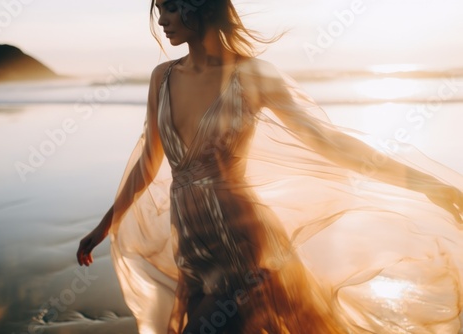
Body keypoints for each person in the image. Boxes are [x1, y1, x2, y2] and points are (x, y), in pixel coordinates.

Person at [77, 0, 463, 333]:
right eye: (159, 9)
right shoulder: (162, 78)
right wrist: (103, 227)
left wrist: (425, 184)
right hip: (191, 249)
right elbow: (149, 162)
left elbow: (330, 143)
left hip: (239, 245)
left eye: (173, 7)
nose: (162, 20)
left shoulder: (251, 76)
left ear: (204, 6)